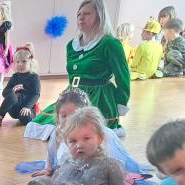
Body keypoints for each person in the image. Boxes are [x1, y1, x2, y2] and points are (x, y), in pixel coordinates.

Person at [25, 0, 130, 140]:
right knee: (39, 125)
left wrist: (120, 103)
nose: (81, 17)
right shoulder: (72, 45)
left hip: (98, 99)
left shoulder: (109, 43)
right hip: (73, 94)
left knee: (82, 131)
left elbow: (123, 77)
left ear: (99, 16)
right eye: (79, 14)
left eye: (87, 14)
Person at [29, 87, 142, 179]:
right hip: (68, 171)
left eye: (73, 114)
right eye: (63, 116)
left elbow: (104, 158)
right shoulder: (58, 131)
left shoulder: (95, 133)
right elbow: (51, 151)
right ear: (58, 116)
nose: (68, 120)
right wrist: (48, 168)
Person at [0, 44, 40, 127]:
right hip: (14, 109)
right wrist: (12, 90)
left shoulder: (34, 77)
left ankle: (28, 116)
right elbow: (4, 93)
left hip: (27, 108)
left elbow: (36, 94)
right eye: (18, 62)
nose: (20, 64)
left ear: (30, 62)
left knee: (26, 118)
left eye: (24, 61)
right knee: (12, 96)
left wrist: (27, 107)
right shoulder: (15, 76)